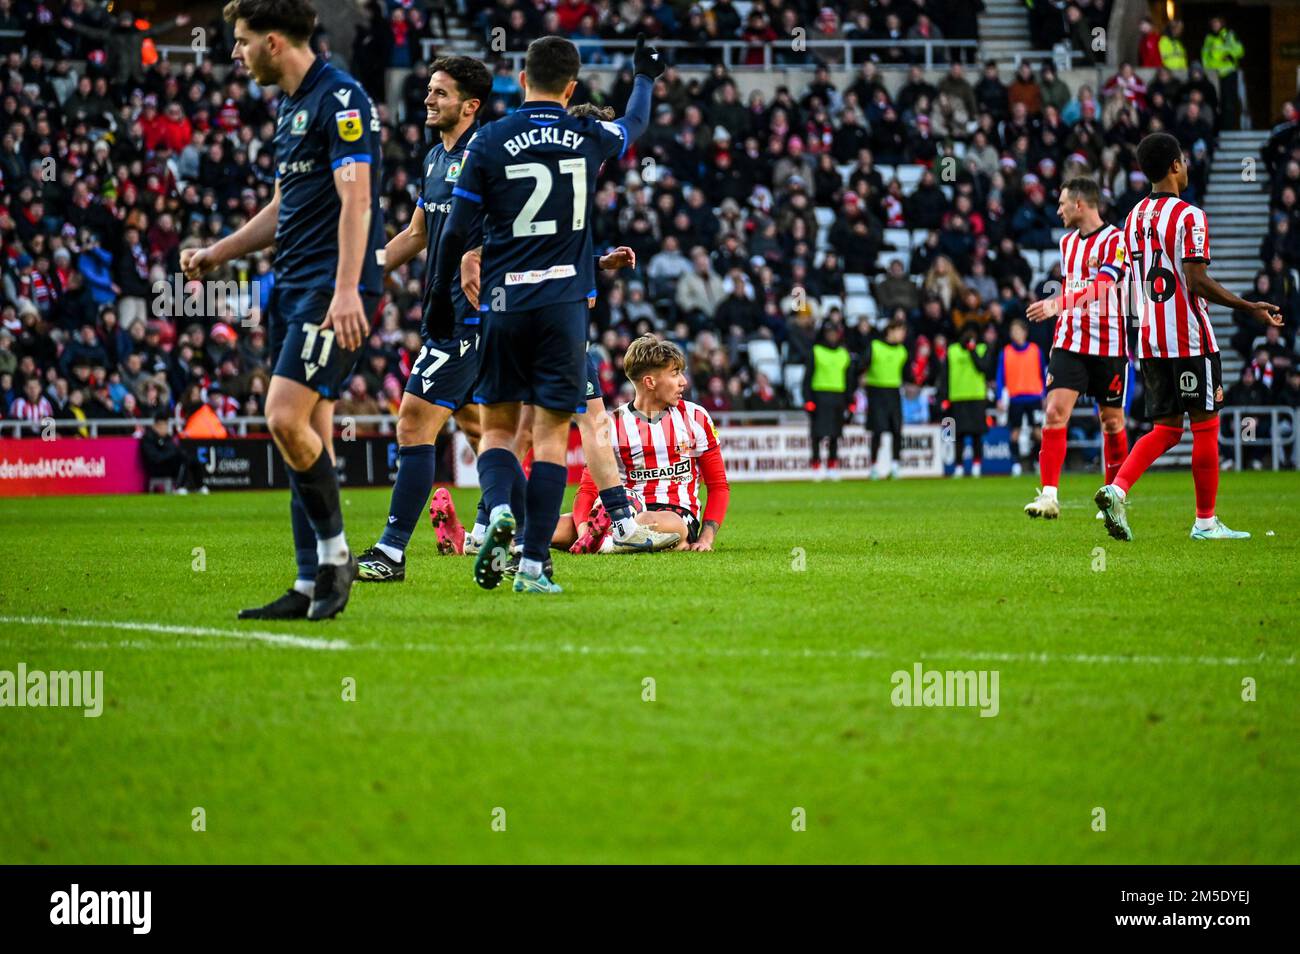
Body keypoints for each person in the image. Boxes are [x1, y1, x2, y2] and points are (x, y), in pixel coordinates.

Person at [425, 34, 664, 594]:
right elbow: (635, 123)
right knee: (554, 438)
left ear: (522, 79)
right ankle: (533, 566)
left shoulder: (488, 141)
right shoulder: (589, 134)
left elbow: (457, 230)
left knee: (501, 432)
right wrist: (646, 75)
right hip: (564, 307)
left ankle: (496, 510)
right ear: (572, 87)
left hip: (504, 303)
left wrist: (440, 294)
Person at [183, 0, 384, 619]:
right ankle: (308, 582)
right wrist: (219, 252)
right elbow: (284, 206)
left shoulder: (341, 99)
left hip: (329, 288)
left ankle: (335, 556)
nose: (235, 54)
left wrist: (348, 288)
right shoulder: (291, 107)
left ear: (274, 41)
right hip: (293, 285)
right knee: (308, 434)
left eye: (242, 42)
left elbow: (358, 204)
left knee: (282, 417)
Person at [1081, 133, 1282, 540]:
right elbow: (1196, 281)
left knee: (1167, 429)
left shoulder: (1133, 218)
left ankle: (1117, 489)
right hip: (1190, 338)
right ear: (1175, 165)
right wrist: (1250, 307)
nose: (1187, 167)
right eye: (1185, 161)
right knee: (1205, 427)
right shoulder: (1190, 216)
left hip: (1152, 341)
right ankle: (1205, 522)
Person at [353, 56, 492, 583]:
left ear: (470, 105)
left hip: (470, 318)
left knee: (412, 421)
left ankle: (390, 552)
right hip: (441, 314)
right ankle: (503, 524)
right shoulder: (436, 158)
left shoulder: (486, 156)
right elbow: (416, 234)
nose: (428, 99)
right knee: (480, 428)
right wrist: (362, 269)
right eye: (429, 90)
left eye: (440, 93)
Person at [554, 336, 730, 552]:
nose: (683, 381)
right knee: (558, 525)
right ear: (650, 382)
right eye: (675, 374)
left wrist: (706, 539)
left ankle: (607, 541)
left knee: (655, 522)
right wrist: (583, 532)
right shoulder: (612, 424)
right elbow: (588, 489)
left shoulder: (696, 417)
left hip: (676, 515)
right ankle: (519, 541)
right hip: (621, 511)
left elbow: (718, 485)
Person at [1026, 177, 1130, 518]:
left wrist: (1057, 303)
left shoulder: (1116, 239)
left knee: (1112, 422)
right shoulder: (1067, 243)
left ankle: (1113, 498)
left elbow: (1102, 287)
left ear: (1080, 205)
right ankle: (1049, 496)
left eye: (1062, 203)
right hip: (1069, 341)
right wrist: (1063, 309)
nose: (1058, 210)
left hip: (1110, 344)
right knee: (1054, 412)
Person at [944, 324, 996, 477]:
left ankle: (976, 465)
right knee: (957, 435)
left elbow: (983, 367)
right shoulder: (952, 350)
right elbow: (945, 375)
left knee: (976, 435)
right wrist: (944, 397)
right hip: (957, 397)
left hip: (977, 397)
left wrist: (972, 350)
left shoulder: (982, 349)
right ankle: (959, 466)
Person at [997, 318, 1046, 477]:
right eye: (1013, 331)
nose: (1015, 334)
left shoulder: (1035, 350)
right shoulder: (1006, 353)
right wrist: (999, 397)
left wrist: (1045, 394)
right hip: (1015, 398)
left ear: (1025, 332)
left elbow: (1043, 375)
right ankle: (1016, 464)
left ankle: (1037, 462)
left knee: (1038, 433)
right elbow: (1000, 377)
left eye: (1018, 331)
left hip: (1034, 397)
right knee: (1015, 433)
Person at [863, 318, 909, 479]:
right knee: (878, 431)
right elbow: (863, 365)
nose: (903, 334)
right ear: (890, 330)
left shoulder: (902, 351)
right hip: (876, 392)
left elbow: (907, 373)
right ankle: (874, 467)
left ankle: (895, 465)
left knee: (896, 430)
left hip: (894, 391)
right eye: (900, 330)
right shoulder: (875, 346)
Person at [805, 320, 852, 477]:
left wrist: (850, 401)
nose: (832, 336)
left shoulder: (843, 354)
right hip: (820, 395)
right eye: (829, 333)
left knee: (835, 434)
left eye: (834, 333)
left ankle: (832, 465)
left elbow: (849, 379)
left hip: (838, 395)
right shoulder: (816, 351)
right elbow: (807, 378)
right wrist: (808, 400)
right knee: (817, 434)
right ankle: (816, 465)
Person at [140, 411, 204, 493]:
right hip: (157, 468)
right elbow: (155, 458)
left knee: (192, 459)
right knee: (182, 459)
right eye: (164, 425)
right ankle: (179, 487)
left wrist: (175, 453)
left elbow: (174, 450)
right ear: (156, 425)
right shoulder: (148, 438)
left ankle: (200, 487)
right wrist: (172, 454)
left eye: (166, 425)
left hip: (170, 464)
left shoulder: (167, 438)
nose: (166, 428)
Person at [1202, 16, 1244, 131]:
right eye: (1213, 23)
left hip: (1228, 73)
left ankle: (1228, 128)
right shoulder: (1209, 38)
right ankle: (1216, 128)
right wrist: (1207, 70)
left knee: (1228, 102)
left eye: (1217, 23)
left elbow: (1240, 50)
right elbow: (1205, 55)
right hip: (1213, 75)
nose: (1215, 25)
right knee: (1215, 102)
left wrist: (1230, 55)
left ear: (1222, 23)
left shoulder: (1229, 35)